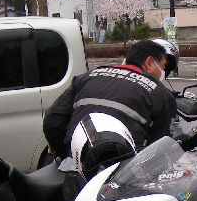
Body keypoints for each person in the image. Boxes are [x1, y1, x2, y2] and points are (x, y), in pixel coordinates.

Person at [43, 39, 177, 182]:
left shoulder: (86, 77)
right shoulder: (160, 93)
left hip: (77, 175)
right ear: (149, 63)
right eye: (163, 66)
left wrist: (70, 156)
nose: (163, 72)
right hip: (124, 180)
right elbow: (161, 148)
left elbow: (52, 122)